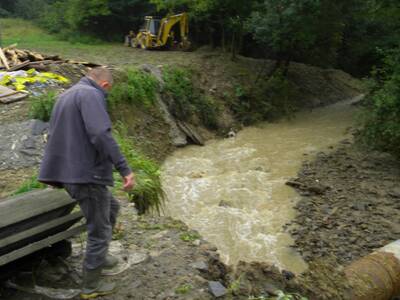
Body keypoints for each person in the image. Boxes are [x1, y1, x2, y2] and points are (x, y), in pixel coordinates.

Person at [38, 67, 135, 299]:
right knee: (99, 231)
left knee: (112, 208)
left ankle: (100, 258)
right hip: (87, 176)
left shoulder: (66, 95)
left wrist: (57, 175)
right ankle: (91, 286)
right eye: (108, 92)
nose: (106, 96)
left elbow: (56, 135)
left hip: (72, 173)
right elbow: (101, 134)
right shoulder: (91, 95)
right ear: (104, 85)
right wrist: (124, 168)